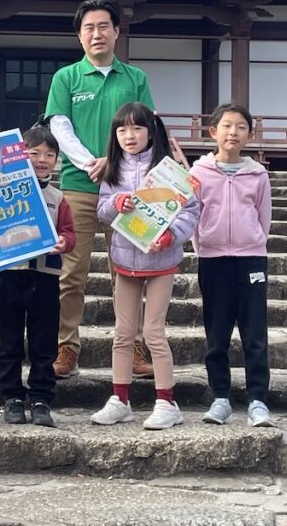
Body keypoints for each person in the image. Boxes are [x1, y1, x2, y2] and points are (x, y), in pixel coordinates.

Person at [44, 0, 155, 380]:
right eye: (89, 28)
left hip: (128, 189)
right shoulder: (67, 78)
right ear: (79, 35)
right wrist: (92, 161)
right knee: (70, 272)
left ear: (117, 32)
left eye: (104, 26)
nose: (97, 34)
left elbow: (145, 126)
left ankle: (134, 345)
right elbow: (59, 126)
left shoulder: (135, 78)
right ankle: (65, 346)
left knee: (129, 269)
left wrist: (114, 160)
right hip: (78, 186)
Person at [90, 104, 199, 430]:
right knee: (123, 333)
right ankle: (119, 399)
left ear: (151, 131)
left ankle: (167, 401)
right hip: (125, 260)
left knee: (153, 332)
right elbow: (101, 210)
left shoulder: (170, 171)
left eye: (136, 129)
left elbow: (190, 212)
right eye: (122, 130)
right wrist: (114, 204)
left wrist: (169, 237)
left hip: (161, 261)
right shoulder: (113, 169)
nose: (129, 136)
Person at [0, 124, 75, 428]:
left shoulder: (58, 197)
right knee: (10, 340)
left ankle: (41, 397)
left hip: (45, 277)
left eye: (50, 154)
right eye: (35, 152)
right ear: (19, 155)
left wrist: (63, 243)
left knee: (44, 342)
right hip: (9, 276)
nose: (42, 159)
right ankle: (12, 397)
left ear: (57, 161)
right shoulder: (0, 189)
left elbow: (69, 233)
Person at [189, 104, 274, 428]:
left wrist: (253, 243)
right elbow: (193, 216)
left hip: (251, 257)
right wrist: (205, 246)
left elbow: (263, 217)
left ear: (249, 134)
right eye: (226, 126)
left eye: (240, 127)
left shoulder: (258, 174)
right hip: (213, 259)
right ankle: (220, 397)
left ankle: (257, 399)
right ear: (213, 132)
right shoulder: (198, 173)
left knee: (255, 332)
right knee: (217, 332)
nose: (233, 132)